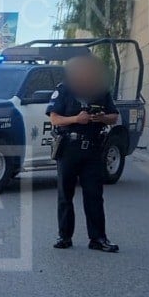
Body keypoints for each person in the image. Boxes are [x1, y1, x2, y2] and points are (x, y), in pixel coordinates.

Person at [47, 55, 120, 252]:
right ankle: (64, 236)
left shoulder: (101, 91)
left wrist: (101, 117)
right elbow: (54, 119)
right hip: (69, 148)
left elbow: (114, 117)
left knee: (94, 195)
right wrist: (76, 119)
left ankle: (98, 238)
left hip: (93, 150)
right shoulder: (64, 90)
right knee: (65, 195)